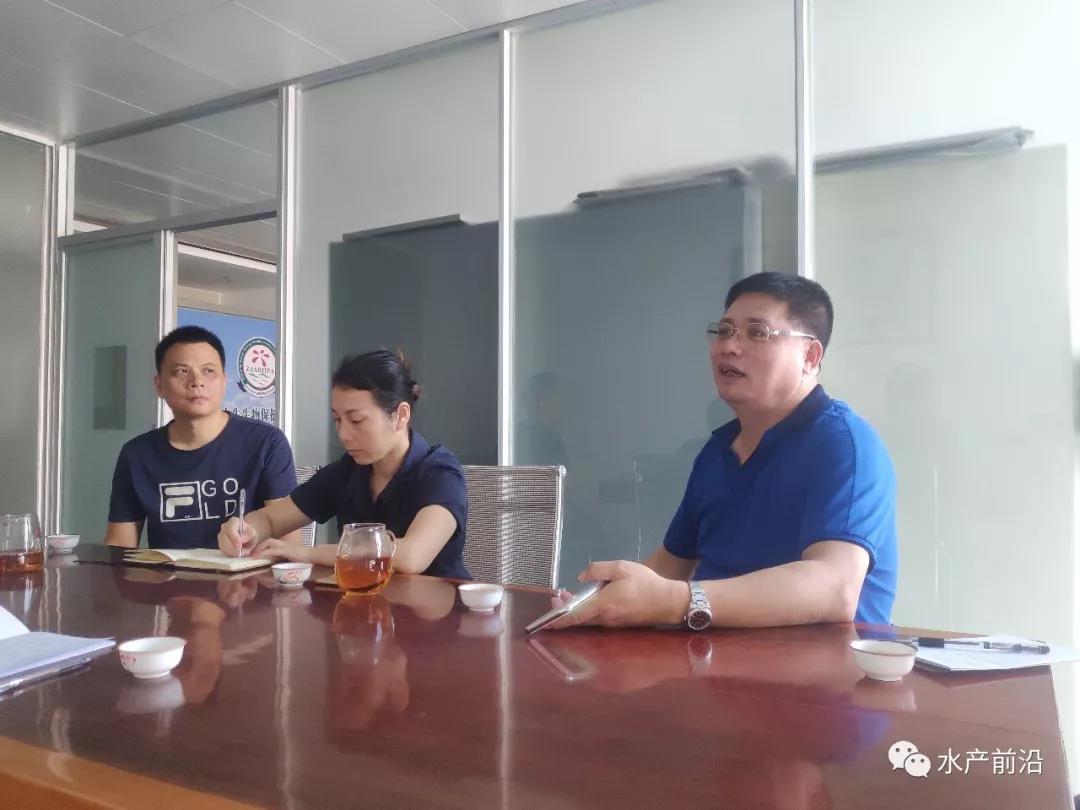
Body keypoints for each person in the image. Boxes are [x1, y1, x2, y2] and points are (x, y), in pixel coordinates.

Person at [549, 271, 897, 630]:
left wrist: (675, 601)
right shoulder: (719, 452)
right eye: (725, 330)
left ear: (809, 356)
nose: (729, 346)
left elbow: (834, 588)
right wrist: (598, 604)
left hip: (824, 662)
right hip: (713, 656)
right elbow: (670, 565)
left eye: (757, 333)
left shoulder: (844, 445)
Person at [217, 349, 469, 579]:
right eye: (337, 420)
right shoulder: (346, 472)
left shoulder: (440, 473)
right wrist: (245, 530)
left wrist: (307, 553)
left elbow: (411, 557)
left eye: (356, 420)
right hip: (364, 606)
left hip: (439, 609)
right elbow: (271, 520)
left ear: (401, 415)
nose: (344, 435)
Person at [105, 326, 299, 549]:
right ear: (159, 385)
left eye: (209, 371)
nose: (197, 381)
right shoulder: (137, 454)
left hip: (247, 571)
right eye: (182, 371)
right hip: (168, 572)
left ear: (224, 381)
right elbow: (119, 546)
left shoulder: (266, 443)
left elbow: (288, 544)